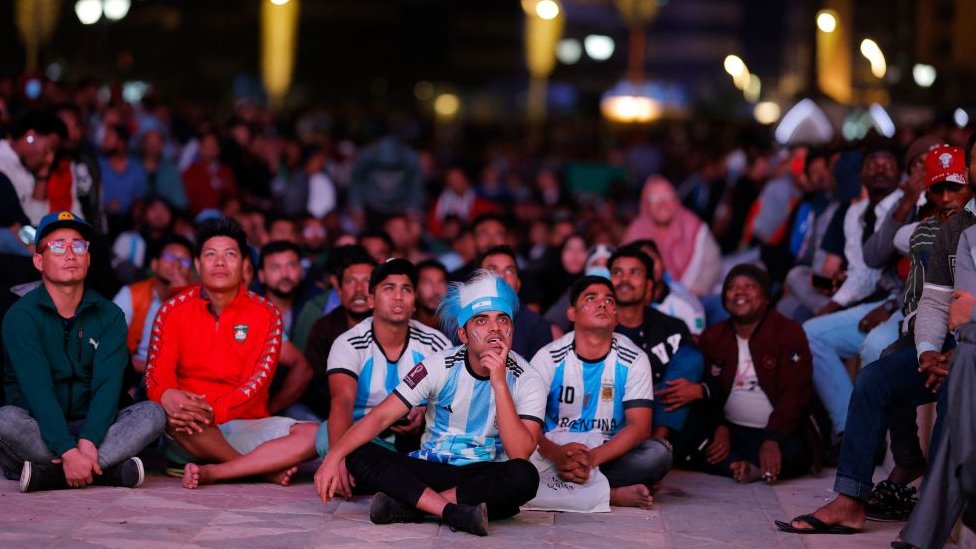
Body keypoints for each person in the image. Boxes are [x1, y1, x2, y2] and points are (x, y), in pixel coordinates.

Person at [775, 143, 975, 539]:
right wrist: (929, 352)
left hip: (970, 352)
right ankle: (850, 500)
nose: (949, 197)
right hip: (942, 345)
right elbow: (933, 300)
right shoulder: (949, 227)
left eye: (957, 187)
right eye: (939, 190)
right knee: (876, 377)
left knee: (952, 391)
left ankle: (928, 523)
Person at [314, 271, 546, 536]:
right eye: (481, 320)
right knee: (356, 451)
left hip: (483, 473)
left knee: (525, 476)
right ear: (464, 335)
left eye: (502, 320)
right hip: (432, 467)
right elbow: (380, 417)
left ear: (511, 329)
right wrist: (334, 456)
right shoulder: (438, 365)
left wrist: (500, 383)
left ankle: (414, 506)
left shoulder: (528, 378)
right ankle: (454, 512)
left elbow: (519, 453)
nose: (494, 328)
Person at [145, 216, 317, 488]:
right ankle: (255, 469)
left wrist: (214, 411)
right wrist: (169, 396)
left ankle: (222, 470)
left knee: (315, 435)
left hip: (244, 424)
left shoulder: (266, 314)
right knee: (167, 415)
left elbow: (257, 383)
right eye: (211, 255)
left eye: (230, 254)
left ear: (244, 264)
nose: (221, 262)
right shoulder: (172, 311)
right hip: (190, 428)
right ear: (198, 265)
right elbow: (156, 377)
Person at [0, 210, 166, 492]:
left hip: (94, 427)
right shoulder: (21, 317)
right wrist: (67, 449)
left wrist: (86, 445)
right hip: (38, 424)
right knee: (5, 419)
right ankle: (106, 470)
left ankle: (50, 475)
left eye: (78, 245)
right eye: (57, 245)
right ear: (39, 260)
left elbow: (107, 389)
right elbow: (37, 391)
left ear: (88, 258)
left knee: (153, 414)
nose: (70, 253)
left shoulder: (110, 315)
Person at [531, 275, 672, 509]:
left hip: (605, 454)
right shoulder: (548, 358)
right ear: (572, 314)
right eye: (590, 298)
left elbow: (640, 427)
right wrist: (557, 454)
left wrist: (591, 459)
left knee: (658, 454)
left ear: (616, 318)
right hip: (553, 453)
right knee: (509, 456)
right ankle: (611, 494)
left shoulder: (634, 359)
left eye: (609, 300)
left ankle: (565, 487)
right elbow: (527, 425)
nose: (602, 303)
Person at [317, 258, 452, 493]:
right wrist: (338, 459)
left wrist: (426, 411)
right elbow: (342, 402)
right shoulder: (349, 343)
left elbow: (451, 404)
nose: (398, 296)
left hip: (420, 443)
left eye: (407, 289)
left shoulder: (436, 343)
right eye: (389, 288)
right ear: (371, 300)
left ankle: (385, 482)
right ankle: (407, 485)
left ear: (414, 303)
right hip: (368, 441)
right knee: (324, 437)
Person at [803, 146, 907, 438]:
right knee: (810, 332)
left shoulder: (908, 206)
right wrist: (832, 305)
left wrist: (886, 308)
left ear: (900, 173)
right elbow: (863, 273)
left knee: (875, 345)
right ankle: (851, 430)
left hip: (902, 303)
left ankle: (870, 434)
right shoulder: (855, 212)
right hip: (874, 300)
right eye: (873, 163)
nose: (880, 168)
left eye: (888, 162)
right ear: (861, 174)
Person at [699, 264, 816, 484]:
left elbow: (796, 393)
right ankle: (743, 466)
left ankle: (746, 466)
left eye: (749, 286)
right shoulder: (713, 337)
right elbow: (707, 390)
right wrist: (720, 426)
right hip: (732, 430)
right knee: (694, 445)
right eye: (732, 287)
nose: (739, 292)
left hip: (778, 431)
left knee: (799, 451)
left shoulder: (788, 331)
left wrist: (773, 439)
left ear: (766, 298)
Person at [608, 245, 704, 443]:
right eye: (617, 273)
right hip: (609, 415)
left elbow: (697, 368)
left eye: (634, 273)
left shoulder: (672, 327)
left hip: (661, 414)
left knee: (690, 358)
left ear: (649, 285)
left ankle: (658, 445)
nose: (624, 279)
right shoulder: (593, 325)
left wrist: (700, 389)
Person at [300, 247, 379, 420]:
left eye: (367, 281)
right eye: (351, 281)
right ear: (339, 290)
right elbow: (316, 386)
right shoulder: (323, 328)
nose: (359, 289)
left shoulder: (393, 327)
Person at [622, 175, 721, 297]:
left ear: (676, 199)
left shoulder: (696, 228)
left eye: (668, 196)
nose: (662, 203)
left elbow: (712, 265)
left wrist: (693, 293)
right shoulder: (636, 232)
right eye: (654, 198)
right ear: (646, 204)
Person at [112, 236, 195, 378]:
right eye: (169, 257)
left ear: (192, 273)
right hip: (135, 373)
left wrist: (182, 296)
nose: (176, 265)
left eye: (184, 261)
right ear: (154, 264)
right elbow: (110, 344)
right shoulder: (131, 294)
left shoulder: (197, 303)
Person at [479, 245, 558, 360]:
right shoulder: (462, 321)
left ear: (518, 283)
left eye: (509, 270)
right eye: (493, 270)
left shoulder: (538, 326)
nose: (501, 277)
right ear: (478, 281)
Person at [414, 259, 449, 335]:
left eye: (441, 282)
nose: (436, 291)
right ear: (415, 289)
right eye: (427, 283)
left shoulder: (456, 328)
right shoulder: (406, 327)